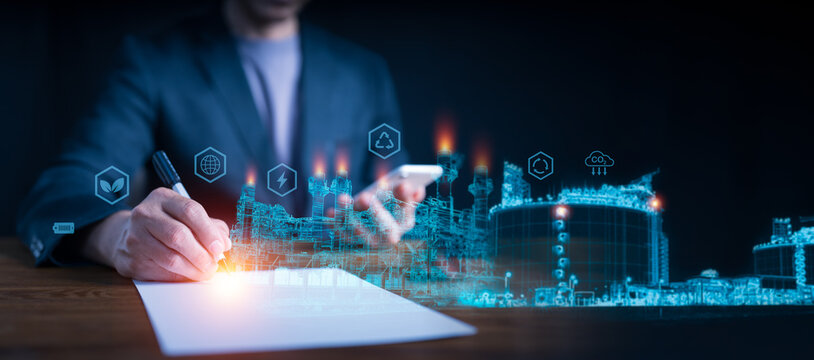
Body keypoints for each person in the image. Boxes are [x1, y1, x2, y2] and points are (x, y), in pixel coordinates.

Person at [16, 0, 425, 281]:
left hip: (341, 305)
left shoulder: (364, 73)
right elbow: (63, 193)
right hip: (209, 302)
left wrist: (391, 216)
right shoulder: (154, 62)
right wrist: (117, 237)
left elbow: (394, 195)